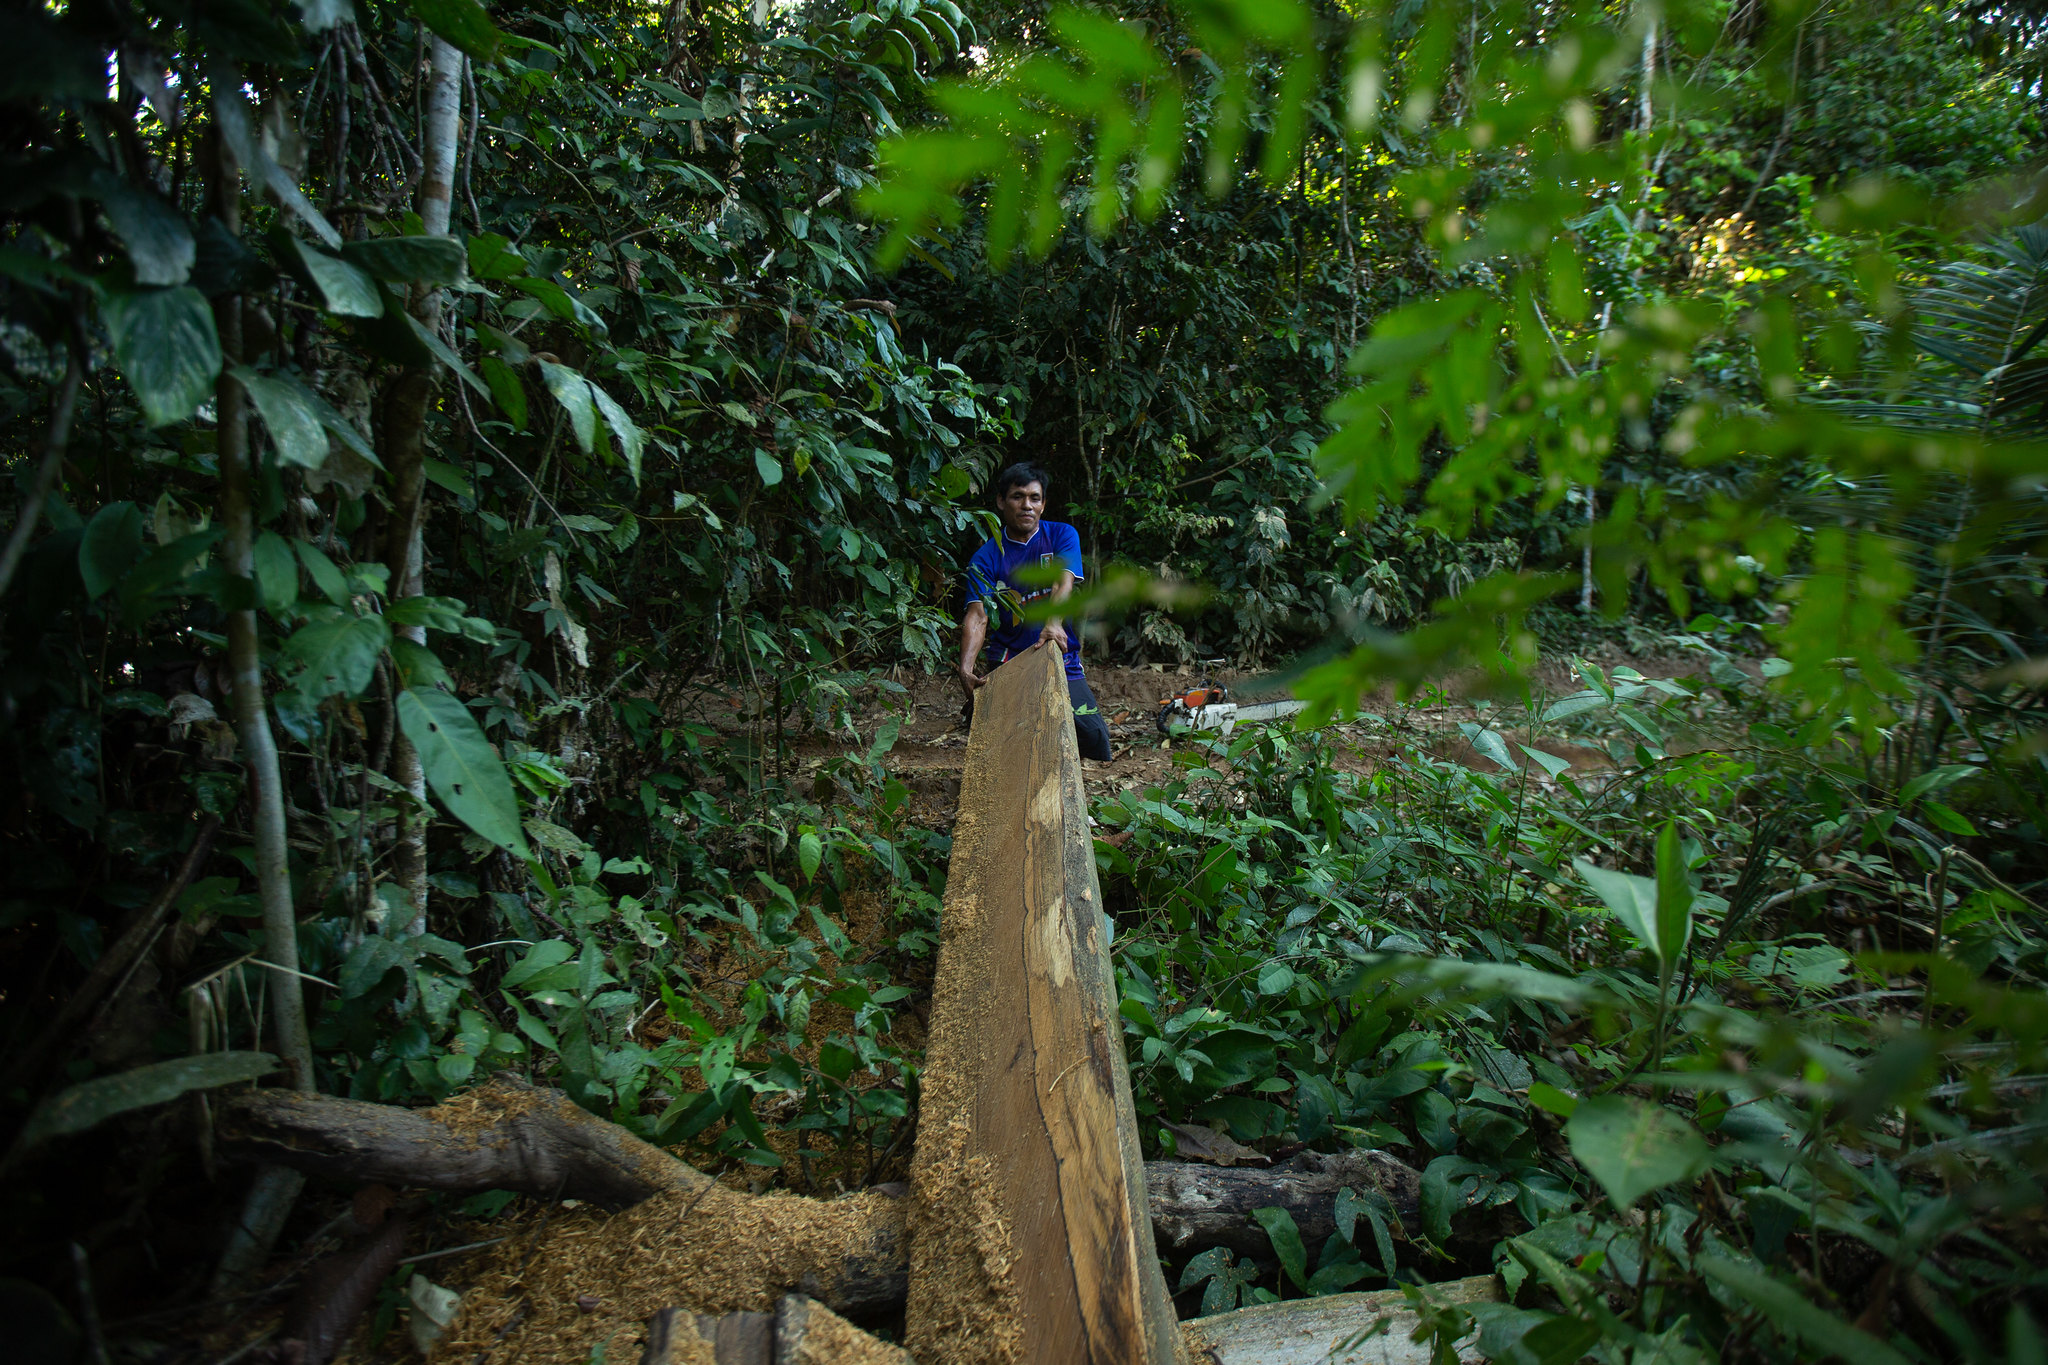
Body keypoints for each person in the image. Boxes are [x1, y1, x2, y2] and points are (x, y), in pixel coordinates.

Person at [956, 462, 1115, 761]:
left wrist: (1053, 623)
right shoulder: (986, 557)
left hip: (1059, 655)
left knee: (1094, 738)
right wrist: (965, 668)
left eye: (1034, 498)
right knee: (1007, 742)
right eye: (1017, 497)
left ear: (1043, 504)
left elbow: (1061, 583)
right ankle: (983, 708)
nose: (1027, 505)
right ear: (1001, 501)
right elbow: (978, 616)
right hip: (1009, 659)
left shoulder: (1062, 535)